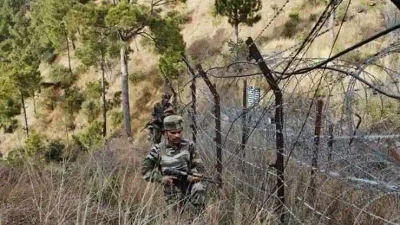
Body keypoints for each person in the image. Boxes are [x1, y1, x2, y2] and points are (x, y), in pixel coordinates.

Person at [141, 115, 206, 217]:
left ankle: (199, 219)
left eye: (179, 132)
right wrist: (161, 178)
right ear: (165, 133)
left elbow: (200, 168)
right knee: (175, 218)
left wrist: (193, 176)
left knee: (199, 188)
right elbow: (145, 171)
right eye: (173, 133)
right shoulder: (158, 149)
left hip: (189, 185)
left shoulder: (189, 145)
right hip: (171, 189)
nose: (177, 135)